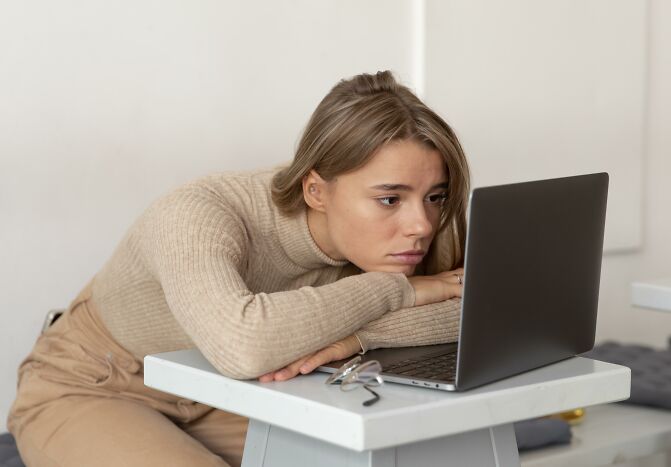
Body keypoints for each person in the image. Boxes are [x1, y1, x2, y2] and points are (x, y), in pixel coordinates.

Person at [7, 70, 470, 467]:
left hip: (227, 392)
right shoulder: (198, 215)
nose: (421, 224)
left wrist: (357, 338)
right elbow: (244, 346)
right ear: (316, 191)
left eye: (435, 196)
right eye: (389, 200)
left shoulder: (422, 224)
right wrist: (398, 291)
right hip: (95, 384)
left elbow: (478, 312)